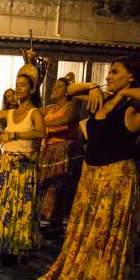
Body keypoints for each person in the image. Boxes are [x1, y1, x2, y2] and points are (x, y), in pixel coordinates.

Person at [38, 56, 140, 280]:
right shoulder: (100, 99)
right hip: (91, 179)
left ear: (132, 76)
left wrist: (125, 91)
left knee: (105, 242)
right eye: (109, 72)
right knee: (84, 238)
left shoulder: (134, 107)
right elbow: (69, 90)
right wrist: (92, 87)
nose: (109, 77)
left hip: (117, 181)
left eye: (115, 72)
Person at [0, 65, 46, 266]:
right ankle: (4, 243)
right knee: (5, 206)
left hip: (24, 166)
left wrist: (15, 134)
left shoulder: (35, 113)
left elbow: (41, 133)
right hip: (7, 165)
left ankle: (18, 245)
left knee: (21, 208)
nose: (19, 89)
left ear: (32, 89)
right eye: (17, 85)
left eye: (23, 85)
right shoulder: (9, 113)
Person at [38, 78, 83, 234]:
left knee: (59, 185)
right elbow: (35, 113)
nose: (54, 89)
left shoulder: (71, 107)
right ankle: (49, 219)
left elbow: (63, 119)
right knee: (46, 184)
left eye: (59, 87)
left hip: (63, 150)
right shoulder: (51, 108)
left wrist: (41, 124)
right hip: (49, 150)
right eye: (54, 86)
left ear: (67, 91)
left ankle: (57, 222)